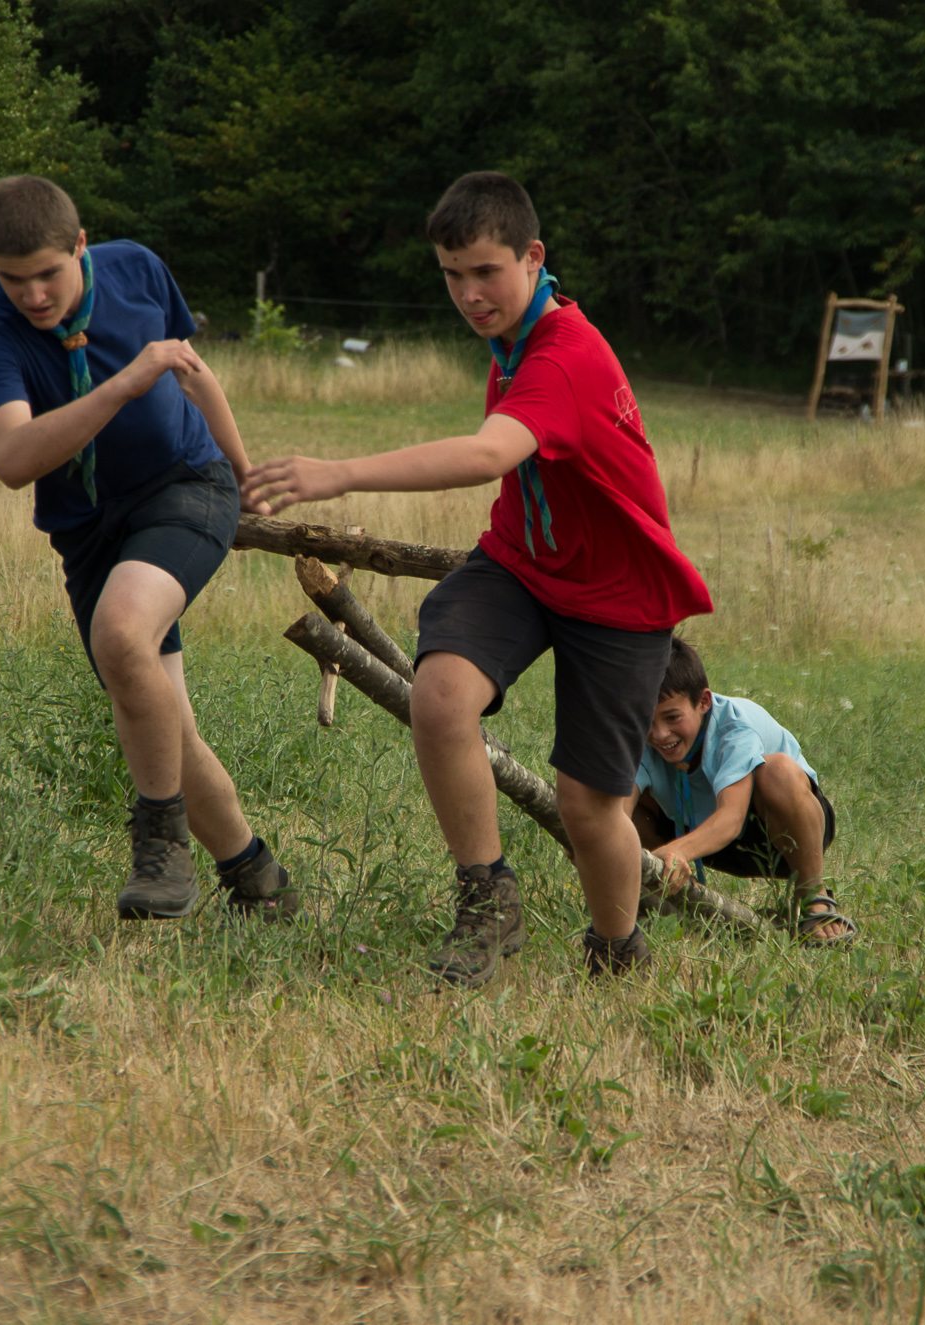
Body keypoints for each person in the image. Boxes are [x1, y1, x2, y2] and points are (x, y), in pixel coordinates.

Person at [245, 171, 711, 984]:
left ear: (533, 257)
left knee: (588, 804)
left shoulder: (565, 354)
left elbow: (490, 452)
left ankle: (616, 949)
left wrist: (340, 472)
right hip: (522, 564)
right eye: (452, 275)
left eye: (486, 271)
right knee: (439, 696)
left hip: (619, 597)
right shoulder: (516, 340)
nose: (469, 294)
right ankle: (488, 899)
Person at [0, 175, 293, 923]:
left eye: (48, 273)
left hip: (186, 484)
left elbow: (193, 375)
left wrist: (245, 476)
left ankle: (160, 848)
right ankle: (258, 880)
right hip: (88, 531)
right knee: (164, 723)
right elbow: (11, 458)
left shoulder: (136, 268)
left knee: (120, 632)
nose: (33, 295)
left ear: (80, 245)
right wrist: (121, 386)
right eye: (12, 279)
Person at [628, 638, 854, 943]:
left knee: (777, 771)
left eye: (672, 717)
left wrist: (679, 851)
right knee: (607, 796)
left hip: (778, 834)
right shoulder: (636, 733)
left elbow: (731, 818)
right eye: (647, 718)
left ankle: (814, 895)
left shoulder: (734, 726)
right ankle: (666, 892)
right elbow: (615, 811)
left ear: (703, 702)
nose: (659, 734)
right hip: (698, 834)